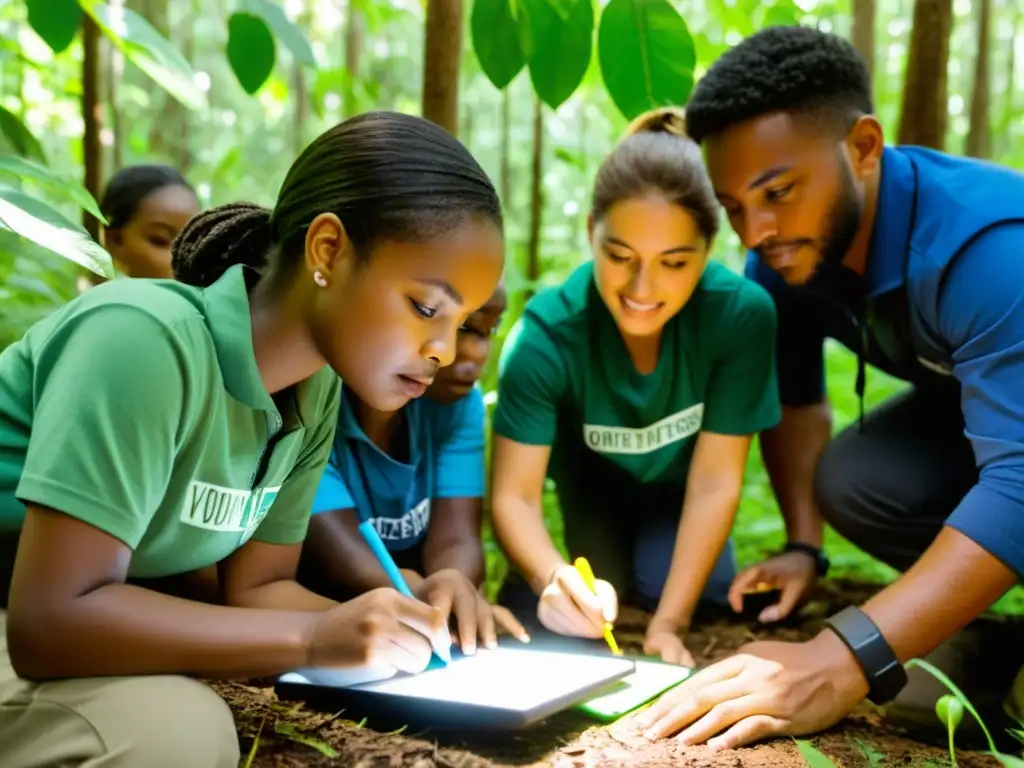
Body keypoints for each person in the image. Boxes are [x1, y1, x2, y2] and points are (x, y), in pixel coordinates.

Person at [0, 110, 505, 768]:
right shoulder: (140, 340)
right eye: (426, 307)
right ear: (328, 250)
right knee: (176, 732)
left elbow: (257, 590)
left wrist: (395, 620)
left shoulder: (313, 391)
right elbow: (51, 624)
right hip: (24, 621)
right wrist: (314, 636)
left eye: (462, 320)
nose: (442, 349)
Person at [638, 26, 1024, 750]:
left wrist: (841, 661)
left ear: (864, 148)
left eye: (779, 191)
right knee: (854, 478)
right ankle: (990, 636)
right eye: (734, 206)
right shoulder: (786, 262)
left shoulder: (990, 250)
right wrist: (802, 548)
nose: (756, 232)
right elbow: (796, 402)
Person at [490, 108, 781, 666]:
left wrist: (671, 624)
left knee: (693, 587)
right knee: (589, 601)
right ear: (590, 231)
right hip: (592, 492)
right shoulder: (546, 333)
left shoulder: (741, 316)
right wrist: (550, 576)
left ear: (709, 248)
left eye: (674, 262)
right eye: (619, 256)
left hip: (681, 494)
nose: (642, 288)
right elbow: (515, 495)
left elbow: (717, 480)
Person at [300, 285, 530, 655]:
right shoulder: (315, 400)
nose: (476, 353)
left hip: (413, 612)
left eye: (489, 331)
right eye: (465, 329)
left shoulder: (459, 406)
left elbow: (458, 538)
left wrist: (453, 587)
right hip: (321, 607)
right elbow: (339, 552)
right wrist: (423, 592)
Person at [99, 164, 200, 279]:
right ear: (114, 240)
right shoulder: (101, 297)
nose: (186, 261)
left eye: (194, 245)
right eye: (161, 240)